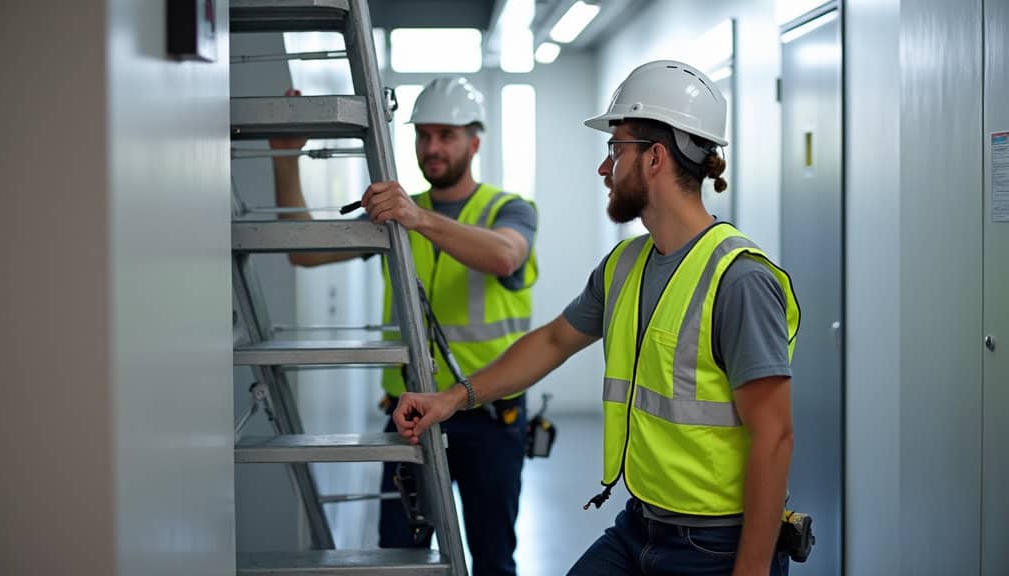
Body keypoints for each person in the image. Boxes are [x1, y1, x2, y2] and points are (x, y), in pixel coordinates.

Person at [391, 60, 800, 576]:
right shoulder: (626, 263)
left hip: (717, 544)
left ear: (654, 158)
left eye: (615, 150)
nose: (604, 169)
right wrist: (451, 398)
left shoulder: (738, 279)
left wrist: (751, 570)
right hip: (639, 526)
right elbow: (555, 340)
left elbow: (776, 436)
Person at [270, 78, 539, 576]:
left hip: (487, 415)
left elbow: (504, 256)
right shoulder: (397, 212)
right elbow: (304, 252)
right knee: (399, 559)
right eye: (423, 135)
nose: (432, 148)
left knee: (493, 558)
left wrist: (421, 220)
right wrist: (285, 157)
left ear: (473, 142)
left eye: (446, 135)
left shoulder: (507, 209)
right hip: (409, 416)